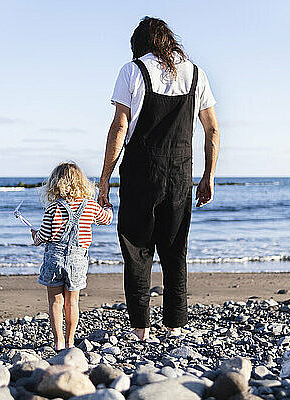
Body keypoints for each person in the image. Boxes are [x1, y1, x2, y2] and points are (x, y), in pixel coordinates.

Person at [98, 17, 220, 340]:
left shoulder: (132, 71)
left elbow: (119, 127)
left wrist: (104, 180)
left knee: (137, 248)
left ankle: (140, 328)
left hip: (141, 172)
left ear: (141, 44)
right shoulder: (196, 74)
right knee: (175, 248)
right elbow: (212, 130)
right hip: (181, 173)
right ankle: (176, 326)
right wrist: (208, 176)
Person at [32, 162, 113, 350]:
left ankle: (58, 341)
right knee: (73, 301)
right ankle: (70, 341)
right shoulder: (90, 206)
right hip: (77, 260)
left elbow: (43, 237)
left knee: (55, 301)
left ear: (56, 183)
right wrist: (108, 207)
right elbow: (106, 219)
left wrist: (35, 236)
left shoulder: (53, 208)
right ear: (81, 182)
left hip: (54, 258)